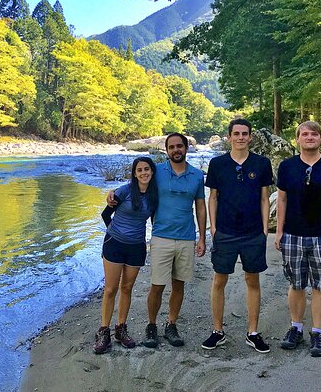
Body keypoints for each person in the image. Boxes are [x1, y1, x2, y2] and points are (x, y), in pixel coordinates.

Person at [107, 133, 206, 348]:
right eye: (171, 147)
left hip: (187, 237)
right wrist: (112, 193)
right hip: (160, 236)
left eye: (179, 146)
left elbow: (200, 205)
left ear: (186, 148)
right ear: (166, 150)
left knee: (179, 285)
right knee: (157, 285)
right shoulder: (157, 171)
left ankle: (171, 325)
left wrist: (202, 238)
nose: (176, 150)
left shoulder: (197, 175)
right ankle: (151, 326)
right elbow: (135, 183)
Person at [274, 121, 321, 357]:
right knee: (296, 284)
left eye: (314, 134)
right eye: (304, 134)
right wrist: (279, 232)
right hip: (293, 235)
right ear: (297, 139)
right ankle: (295, 328)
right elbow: (283, 200)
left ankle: (317, 333)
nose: (309, 137)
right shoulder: (287, 167)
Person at [201, 118, 274, 353]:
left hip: (253, 232)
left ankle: (253, 332)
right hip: (226, 231)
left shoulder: (261, 164)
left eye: (245, 134)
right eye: (237, 133)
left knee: (252, 280)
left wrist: (265, 229)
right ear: (229, 137)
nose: (241, 137)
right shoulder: (218, 164)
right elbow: (213, 197)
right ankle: (217, 331)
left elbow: (265, 198)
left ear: (250, 137)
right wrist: (213, 228)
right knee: (219, 280)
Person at [94, 157, 159, 354]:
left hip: (137, 246)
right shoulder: (124, 191)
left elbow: (155, 220)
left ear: (152, 171)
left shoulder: (155, 194)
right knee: (110, 289)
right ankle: (103, 331)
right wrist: (114, 233)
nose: (143, 173)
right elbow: (106, 214)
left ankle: (121, 329)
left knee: (127, 288)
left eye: (147, 169)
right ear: (134, 173)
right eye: (139, 170)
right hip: (114, 244)